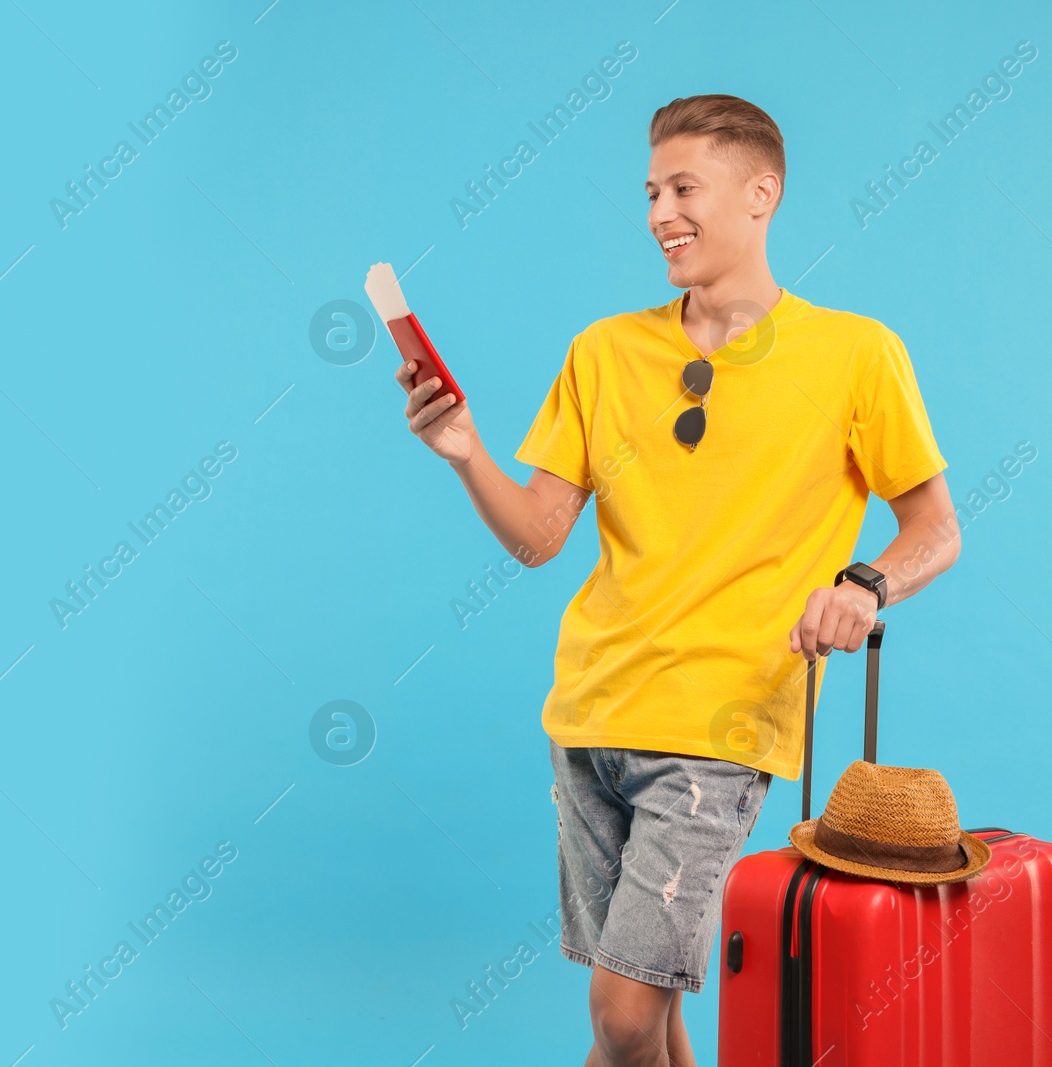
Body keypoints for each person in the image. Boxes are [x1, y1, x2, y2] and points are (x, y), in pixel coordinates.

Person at [395, 94, 962, 1067]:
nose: (660, 211)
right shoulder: (605, 350)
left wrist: (865, 584)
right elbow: (537, 535)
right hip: (588, 716)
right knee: (652, 1019)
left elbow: (935, 528)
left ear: (760, 193)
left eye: (683, 187)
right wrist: (461, 449)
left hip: (719, 731)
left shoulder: (856, 355)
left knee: (618, 1014)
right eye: (651, 190)